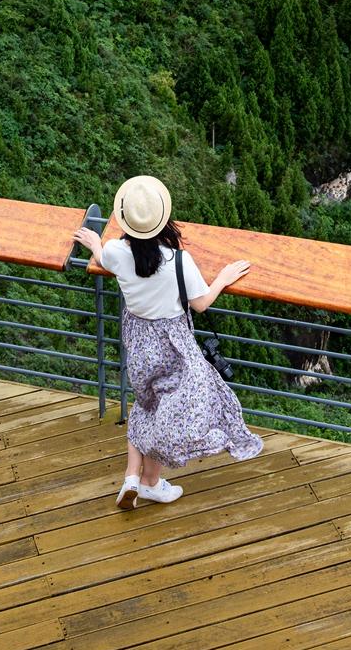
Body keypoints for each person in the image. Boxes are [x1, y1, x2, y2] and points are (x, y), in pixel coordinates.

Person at [74, 175, 262, 508]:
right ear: (162, 219)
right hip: (173, 344)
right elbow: (200, 304)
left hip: (139, 340)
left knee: (146, 403)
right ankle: (149, 481)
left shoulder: (117, 252)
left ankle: (135, 478)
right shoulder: (179, 261)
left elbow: (105, 258)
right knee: (168, 409)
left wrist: (94, 244)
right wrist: (222, 278)